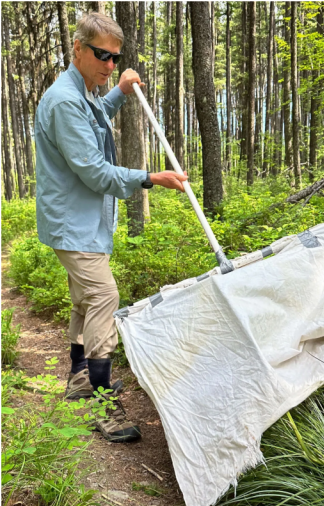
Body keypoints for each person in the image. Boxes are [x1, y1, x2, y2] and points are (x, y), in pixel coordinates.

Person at [35, 12, 187, 443]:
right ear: (78, 49)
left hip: (84, 222)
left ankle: (81, 379)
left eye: (115, 58)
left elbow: (95, 116)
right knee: (105, 295)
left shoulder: (81, 91)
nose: (109, 65)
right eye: (102, 55)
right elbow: (94, 171)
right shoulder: (64, 100)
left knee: (86, 299)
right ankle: (104, 406)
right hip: (73, 221)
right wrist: (149, 178)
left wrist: (119, 93)